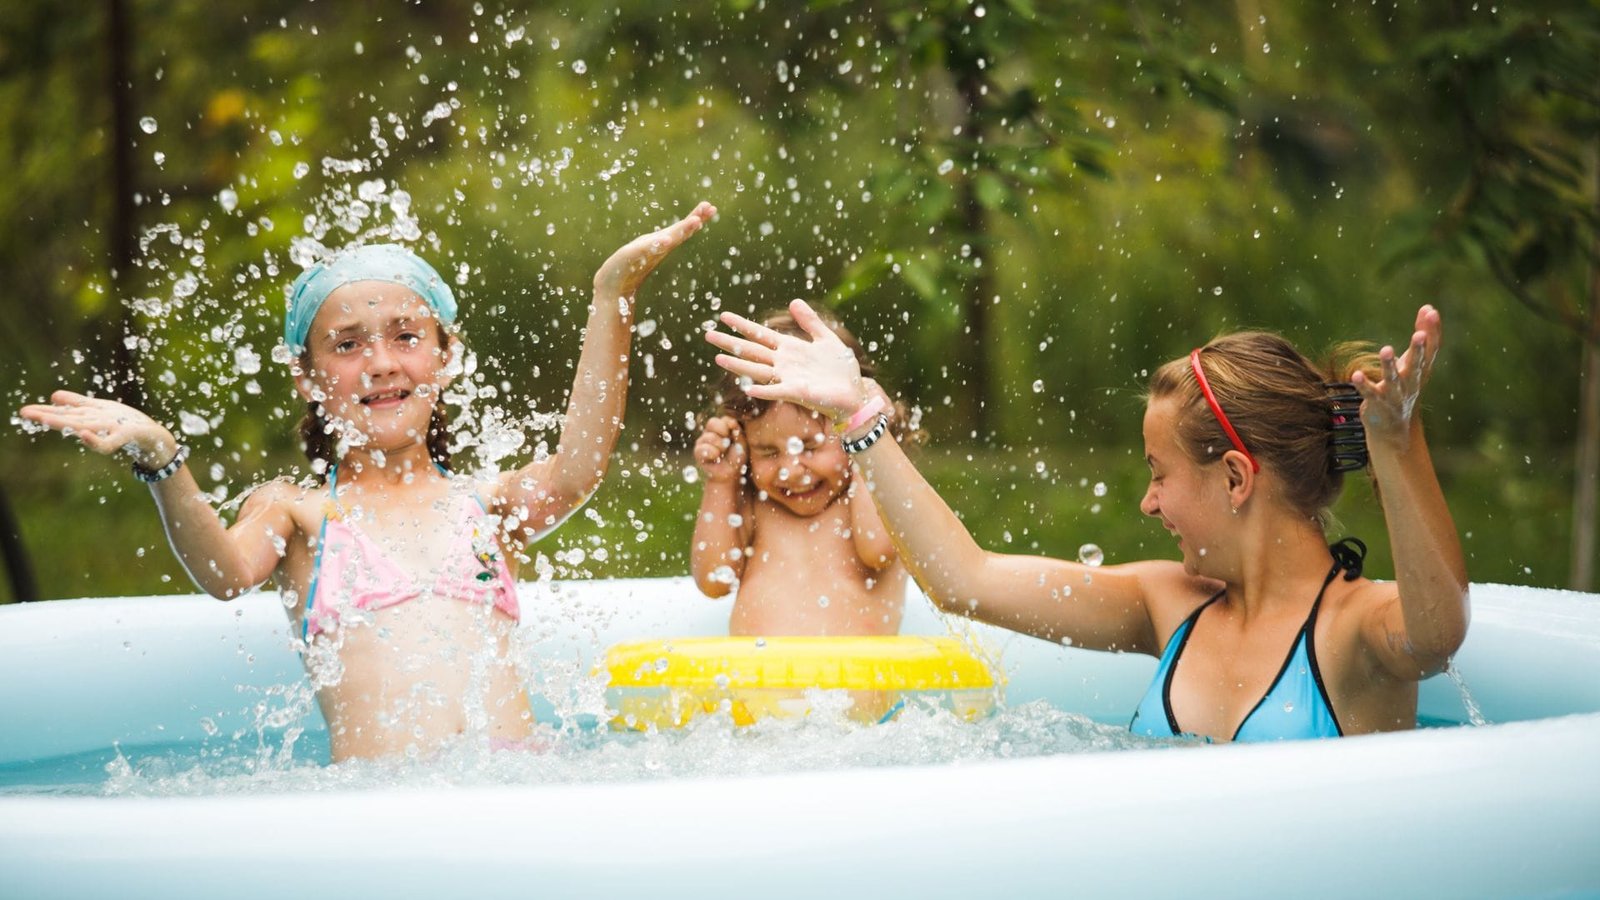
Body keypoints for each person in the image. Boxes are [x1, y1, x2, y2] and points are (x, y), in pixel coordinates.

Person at [20, 201, 716, 762]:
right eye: (347, 344)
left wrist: (611, 296)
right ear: (308, 376)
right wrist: (163, 458)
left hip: (522, 791)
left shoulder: (480, 503)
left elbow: (578, 469)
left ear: (446, 357)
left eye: (406, 336)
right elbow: (224, 572)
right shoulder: (297, 512)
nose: (380, 362)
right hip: (384, 817)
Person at [707, 299, 1469, 742]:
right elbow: (962, 581)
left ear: (1235, 478)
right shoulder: (1168, 604)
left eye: (1159, 473)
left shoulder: (1354, 631)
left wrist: (1398, 447)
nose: (1148, 502)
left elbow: (1437, 635)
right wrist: (861, 417)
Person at [690, 310, 907, 636]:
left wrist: (868, 441)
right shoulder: (756, 503)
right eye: (768, 452)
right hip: (758, 683)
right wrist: (722, 482)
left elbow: (879, 549)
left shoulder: (868, 498)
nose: (791, 471)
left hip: (856, 683)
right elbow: (713, 580)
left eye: (810, 447)